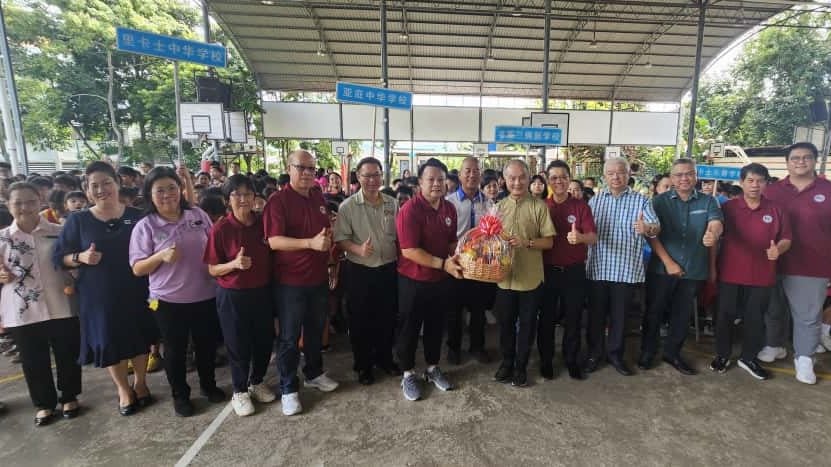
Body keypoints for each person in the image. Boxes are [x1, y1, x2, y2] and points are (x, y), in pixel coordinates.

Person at [56, 161, 157, 416]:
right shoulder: (78, 220)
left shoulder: (137, 215)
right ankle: (123, 389)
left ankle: (141, 383)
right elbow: (60, 257)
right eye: (95, 185)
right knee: (109, 341)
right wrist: (80, 257)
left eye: (106, 183)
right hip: (99, 294)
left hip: (137, 288)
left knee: (140, 336)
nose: (101, 189)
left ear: (117, 183)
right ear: (87, 190)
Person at [129, 167, 224, 417]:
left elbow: (214, 245)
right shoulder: (146, 226)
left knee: (206, 346)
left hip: (205, 294)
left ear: (180, 189)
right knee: (175, 351)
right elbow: (137, 268)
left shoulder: (197, 215)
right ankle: (180, 395)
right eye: (160, 190)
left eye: (172, 188)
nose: (167, 194)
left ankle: (208, 385)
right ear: (149, 195)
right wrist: (160, 256)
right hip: (167, 300)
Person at [264, 150, 339, 416]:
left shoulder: (318, 197)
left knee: (315, 329)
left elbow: (324, 235)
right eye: (301, 168)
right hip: (290, 282)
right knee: (289, 337)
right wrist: (309, 243)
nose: (307, 173)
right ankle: (288, 388)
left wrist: (330, 262)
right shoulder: (278, 201)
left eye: (311, 169)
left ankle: (314, 373)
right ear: (289, 168)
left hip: (317, 278)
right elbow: (273, 241)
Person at [0, 182, 81, 426]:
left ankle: (69, 396)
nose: (25, 207)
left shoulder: (59, 231)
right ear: (8, 205)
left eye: (30, 201)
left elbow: (73, 262)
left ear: (40, 201)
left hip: (61, 301)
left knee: (67, 352)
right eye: (18, 203)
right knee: (32, 358)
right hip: (22, 307)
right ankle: (43, 404)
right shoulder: (2, 238)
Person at [639, 159, 723, 375]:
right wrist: (668, 263)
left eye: (689, 174)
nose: (684, 178)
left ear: (696, 176)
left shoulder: (708, 201)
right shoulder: (658, 202)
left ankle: (672, 353)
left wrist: (713, 233)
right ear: (672, 177)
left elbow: (715, 223)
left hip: (694, 270)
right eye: (678, 175)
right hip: (662, 269)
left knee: (682, 315)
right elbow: (652, 235)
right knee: (654, 312)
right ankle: (647, 352)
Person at [710, 163, 791, 380]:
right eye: (750, 180)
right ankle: (722, 355)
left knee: (755, 318)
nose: (755, 185)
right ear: (742, 183)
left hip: (762, 275)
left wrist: (778, 249)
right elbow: (715, 231)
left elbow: (786, 238)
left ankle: (748, 357)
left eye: (760, 181)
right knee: (724, 316)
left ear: (766, 183)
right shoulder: (728, 208)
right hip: (730, 273)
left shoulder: (777, 209)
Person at [204, 175, 276, 417]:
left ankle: (257, 381)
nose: (243, 199)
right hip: (233, 295)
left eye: (248, 194)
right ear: (227, 200)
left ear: (255, 197)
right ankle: (240, 391)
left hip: (262, 292)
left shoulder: (263, 223)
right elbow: (212, 269)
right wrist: (233, 264)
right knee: (238, 344)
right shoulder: (221, 229)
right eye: (237, 195)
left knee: (264, 341)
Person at [762, 142, 831, 384]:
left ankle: (804, 358)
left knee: (808, 316)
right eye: (795, 158)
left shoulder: (828, 190)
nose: (801, 162)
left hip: (812, 265)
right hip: (773, 262)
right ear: (787, 162)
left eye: (806, 157)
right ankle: (774, 345)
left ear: (815, 160)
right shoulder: (772, 191)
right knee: (773, 309)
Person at [395, 157, 463, 401]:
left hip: (441, 279)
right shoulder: (410, 210)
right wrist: (443, 263)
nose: (436, 184)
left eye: (441, 180)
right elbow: (409, 251)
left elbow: (451, 242)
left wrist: (463, 255)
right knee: (410, 328)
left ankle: (433, 368)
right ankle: (407, 373)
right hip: (413, 280)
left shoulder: (449, 208)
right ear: (420, 183)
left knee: (436, 326)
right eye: (431, 179)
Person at [586, 157, 659, 376]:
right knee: (596, 316)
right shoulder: (595, 201)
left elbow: (655, 227)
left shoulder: (641, 201)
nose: (616, 177)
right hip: (598, 268)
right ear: (604, 176)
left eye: (621, 172)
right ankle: (594, 354)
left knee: (621, 317)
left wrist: (647, 228)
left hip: (626, 270)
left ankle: (615, 355)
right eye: (611, 173)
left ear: (629, 175)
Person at [335, 157, 401, 385]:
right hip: (360, 271)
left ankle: (385, 359)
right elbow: (341, 239)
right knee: (361, 321)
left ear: (382, 176)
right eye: (367, 175)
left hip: (388, 269)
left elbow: (399, 236)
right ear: (358, 177)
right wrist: (358, 249)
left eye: (376, 175)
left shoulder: (392, 204)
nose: (372, 180)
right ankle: (363, 366)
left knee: (387, 317)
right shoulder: (348, 207)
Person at [492, 160, 556, 387]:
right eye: (512, 178)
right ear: (504, 180)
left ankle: (521, 367)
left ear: (529, 178)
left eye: (522, 177)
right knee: (505, 324)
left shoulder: (539, 207)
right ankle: (507, 363)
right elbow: (489, 239)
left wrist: (527, 242)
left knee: (527, 326)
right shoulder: (498, 207)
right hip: (504, 279)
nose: (517, 182)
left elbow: (549, 242)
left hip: (530, 279)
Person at [539, 161, 596, 381]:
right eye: (554, 177)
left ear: (569, 178)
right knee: (546, 318)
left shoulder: (581, 206)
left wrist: (580, 237)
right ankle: (546, 360)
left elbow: (593, 237)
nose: (559, 181)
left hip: (574, 271)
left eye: (563, 177)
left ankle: (571, 359)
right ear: (548, 180)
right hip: (547, 271)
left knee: (573, 317)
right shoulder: (542, 206)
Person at [444, 157, 495, 365]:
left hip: (480, 266)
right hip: (456, 263)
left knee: (478, 309)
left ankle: (477, 347)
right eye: (467, 171)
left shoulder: (489, 203)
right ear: (460, 175)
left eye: (476, 171)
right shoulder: (449, 203)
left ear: (480, 175)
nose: (472, 175)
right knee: (454, 310)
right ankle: (454, 348)